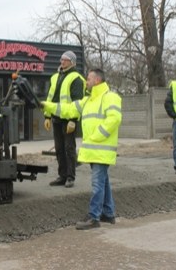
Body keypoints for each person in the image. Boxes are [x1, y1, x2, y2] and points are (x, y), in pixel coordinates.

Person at [42, 68, 122, 230]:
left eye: (89, 79)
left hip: (101, 149)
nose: (86, 82)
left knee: (97, 183)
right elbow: (68, 109)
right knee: (103, 182)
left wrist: (97, 136)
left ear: (97, 80)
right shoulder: (88, 100)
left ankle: (94, 217)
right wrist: (46, 106)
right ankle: (108, 213)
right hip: (95, 150)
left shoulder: (110, 97)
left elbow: (114, 119)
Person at [42, 51, 86, 188]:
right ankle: (62, 176)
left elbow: (78, 102)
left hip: (68, 119)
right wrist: (47, 116)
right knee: (59, 149)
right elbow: (50, 98)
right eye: (61, 59)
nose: (62, 62)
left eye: (65, 60)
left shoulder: (76, 78)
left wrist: (73, 120)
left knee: (69, 148)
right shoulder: (55, 77)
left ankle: (70, 177)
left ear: (72, 62)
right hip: (56, 118)